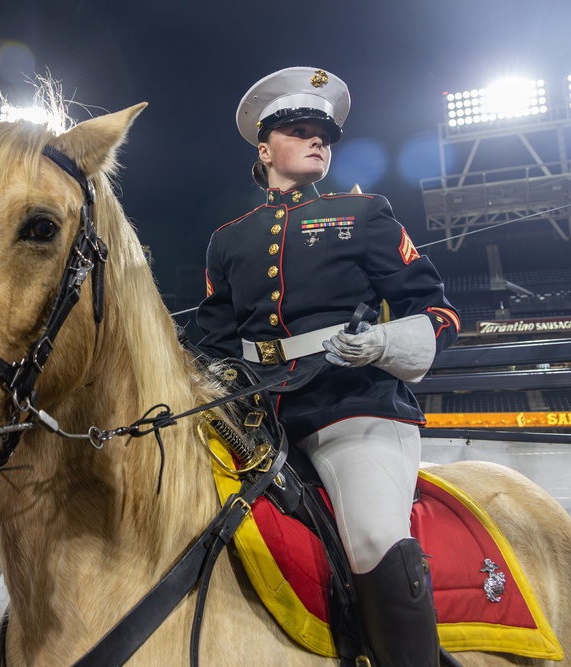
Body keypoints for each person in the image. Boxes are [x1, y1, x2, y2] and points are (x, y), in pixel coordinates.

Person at [196, 66, 460, 667]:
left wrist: (385, 343)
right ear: (265, 150)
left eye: (324, 133)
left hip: (354, 406)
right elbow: (210, 339)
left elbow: (439, 311)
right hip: (259, 418)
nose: (319, 140)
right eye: (299, 129)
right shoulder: (229, 240)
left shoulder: (363, 213)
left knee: (370, 536)